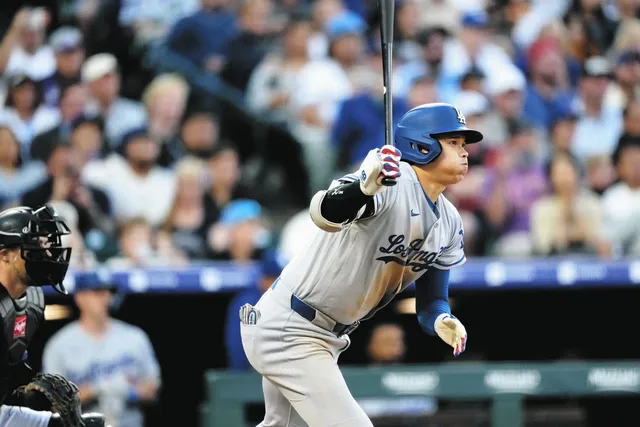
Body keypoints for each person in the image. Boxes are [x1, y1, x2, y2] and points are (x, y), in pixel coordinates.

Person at [240, 102, 473, 427]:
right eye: (453, 142)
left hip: (324, 335)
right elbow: (325, 213)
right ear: (423, 146)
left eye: (463, 144)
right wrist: (364, 187)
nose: (464, 152)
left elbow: (431, 301)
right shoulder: (389, 181)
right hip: (292, 326)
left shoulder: (450, 221)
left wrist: (441, 319)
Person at [0, 204, 107, 427]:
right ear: (4, 255)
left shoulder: (32, 301)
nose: (47, 254)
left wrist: (28, 396)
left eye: (46, 245)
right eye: (35, 246)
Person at [42, 271, 161, 427]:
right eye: (97, 292)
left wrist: (127, 391)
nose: (106, 298)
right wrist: (95, 390)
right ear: (80, 298)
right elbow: (55, 404)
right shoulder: (59, 344)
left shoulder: (135, 337)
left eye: (108, 292)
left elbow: (153, 389)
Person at [225, 250, 287, 370]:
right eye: (275, 279)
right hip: (249, 373)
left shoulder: (281, 300)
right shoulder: (248, 303)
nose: (281, 284)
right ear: (264, 279)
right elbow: (239, 348)